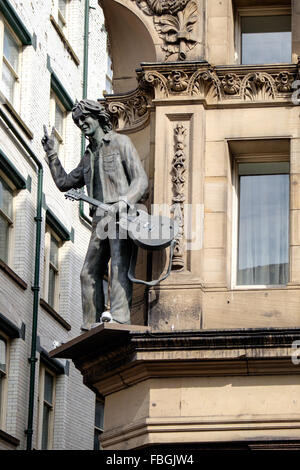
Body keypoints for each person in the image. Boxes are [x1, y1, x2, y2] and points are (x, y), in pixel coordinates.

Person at [41, 99, 148, 328]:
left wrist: (124, 201)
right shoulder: (89, 155)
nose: (81, 124)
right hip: (100, 219)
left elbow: (140, 181)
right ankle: (90, 324)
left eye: (84, 118)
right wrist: (52, 156)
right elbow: (64, 182)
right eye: (78, 121)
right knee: (87, 273)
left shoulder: (121, 142)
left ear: (98, 117)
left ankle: (119, 317)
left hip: (121, 216)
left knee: (118, 264)